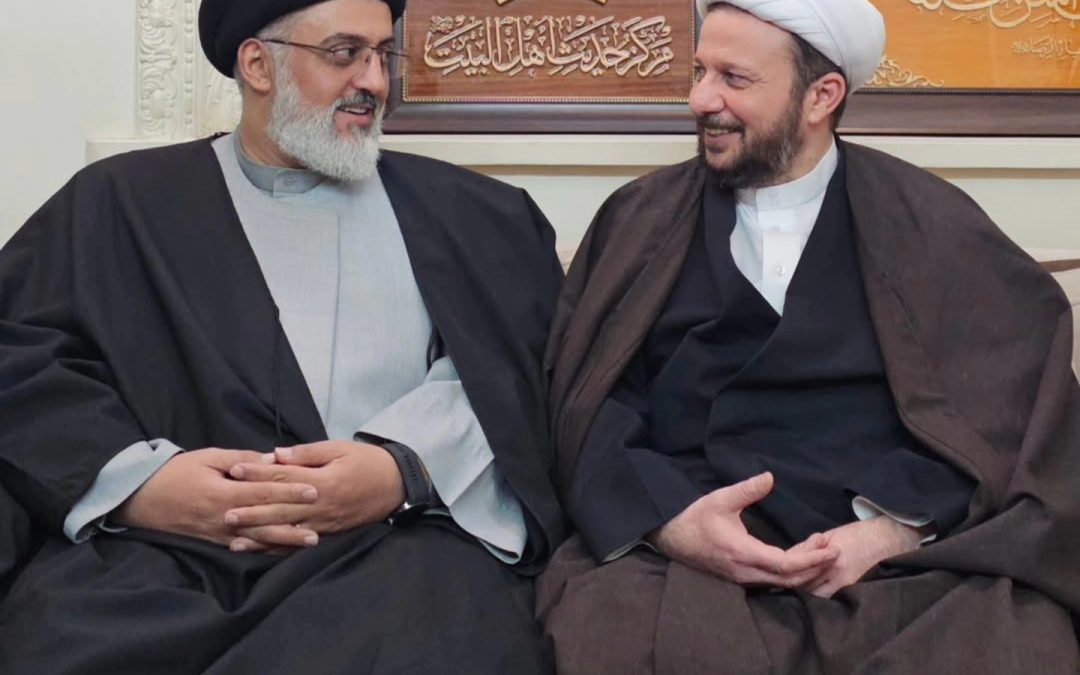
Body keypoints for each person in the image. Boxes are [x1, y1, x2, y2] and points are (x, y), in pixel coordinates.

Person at [0, 0, 563, 672]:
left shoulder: (476, 216)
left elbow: (522, 374)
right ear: (257, 65)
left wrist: (403, 470)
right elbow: (21, 359)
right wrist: (142, 486)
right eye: (345, 53)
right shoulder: (117, 204)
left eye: (383, 55)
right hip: (164, 556)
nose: (374, 81)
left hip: (397, 550)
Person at [536, 1, 1080, 673]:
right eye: (700, 72)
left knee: (1011, 642)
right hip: (681, 555)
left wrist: (892, 530)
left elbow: (1005, 418)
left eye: (734, 78)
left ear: (821, 96)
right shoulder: (637, 222)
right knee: (614, 635)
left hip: (897, 563)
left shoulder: (933, 225)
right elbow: (589, 407)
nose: (701, 99)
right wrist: (672, 521)